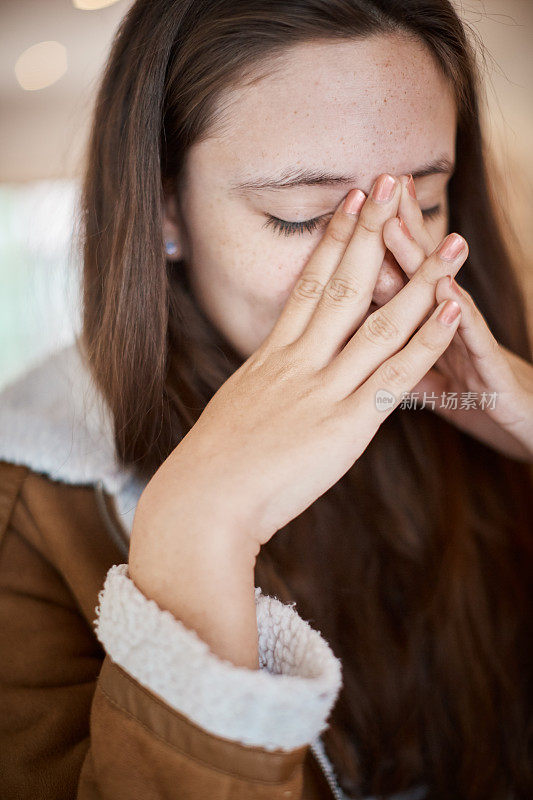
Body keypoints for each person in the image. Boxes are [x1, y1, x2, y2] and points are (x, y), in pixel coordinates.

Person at [0, 1, 532, 798]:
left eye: (423, 202)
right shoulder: (28, 511)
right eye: (305, 216)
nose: (388, 276)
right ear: (165, 211)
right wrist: (195, 536)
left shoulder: (479, 412)